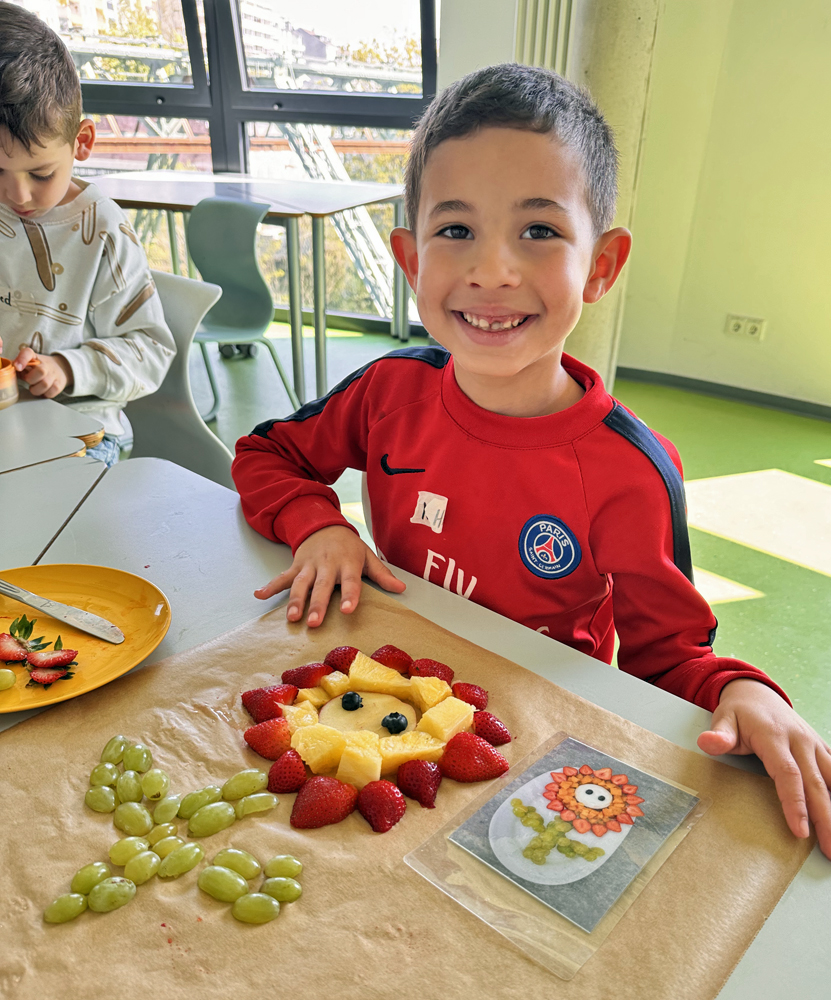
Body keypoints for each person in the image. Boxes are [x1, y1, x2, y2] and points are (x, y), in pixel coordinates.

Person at [232, 64, 831, 857]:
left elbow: (668, 657)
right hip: (388, 700)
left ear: (601, 266)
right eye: (455, 231)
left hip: (529, 748)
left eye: (539, 231)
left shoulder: (630, 470)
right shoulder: (388, 390)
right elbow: (266, 453)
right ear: (411, 261)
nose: (492, 271)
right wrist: (320, 525)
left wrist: (743, 690)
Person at [0, 2, 175, 465]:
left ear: (81, 142)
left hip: (85, 431)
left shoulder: (102, 230)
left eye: (40, 173)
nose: (17, 195)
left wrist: (67, 367)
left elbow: (151, 351)